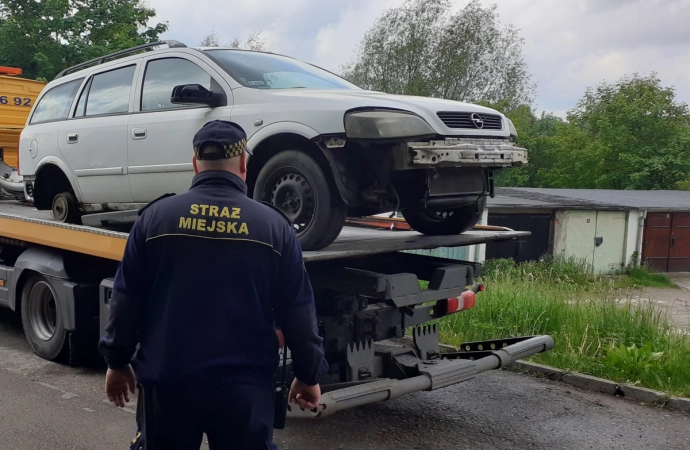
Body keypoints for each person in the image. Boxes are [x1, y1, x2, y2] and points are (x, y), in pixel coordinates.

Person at [98, 120, 326, 450]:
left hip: (168, 380)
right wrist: (308, 375)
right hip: (244, 390)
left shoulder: (155, 219)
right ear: (244, 164)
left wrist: (116, 362)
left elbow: (126, 299)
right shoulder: (274, 228)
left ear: (195, 164)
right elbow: (299, 312)